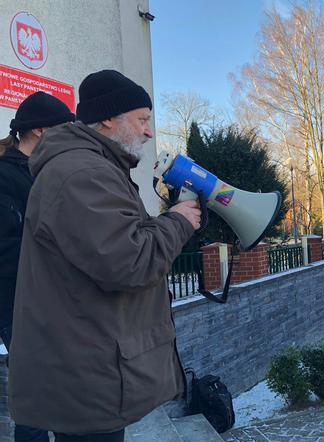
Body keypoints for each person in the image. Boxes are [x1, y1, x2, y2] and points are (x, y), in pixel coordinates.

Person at [8, 70, 202, 441]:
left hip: (90, 368)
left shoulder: (92, 166)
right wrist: (178, 222)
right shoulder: (81, 172)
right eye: (142, 119)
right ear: (109, 118)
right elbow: (130, 260)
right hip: (87, 378)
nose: (149, 131)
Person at [0, 92, 74, 442]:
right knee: (34, 399)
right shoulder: (4, 177)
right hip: (19, 303)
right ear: (41, 131)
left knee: (63, 395)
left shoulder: (46, 172)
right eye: (65, 128)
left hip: (54, 301)